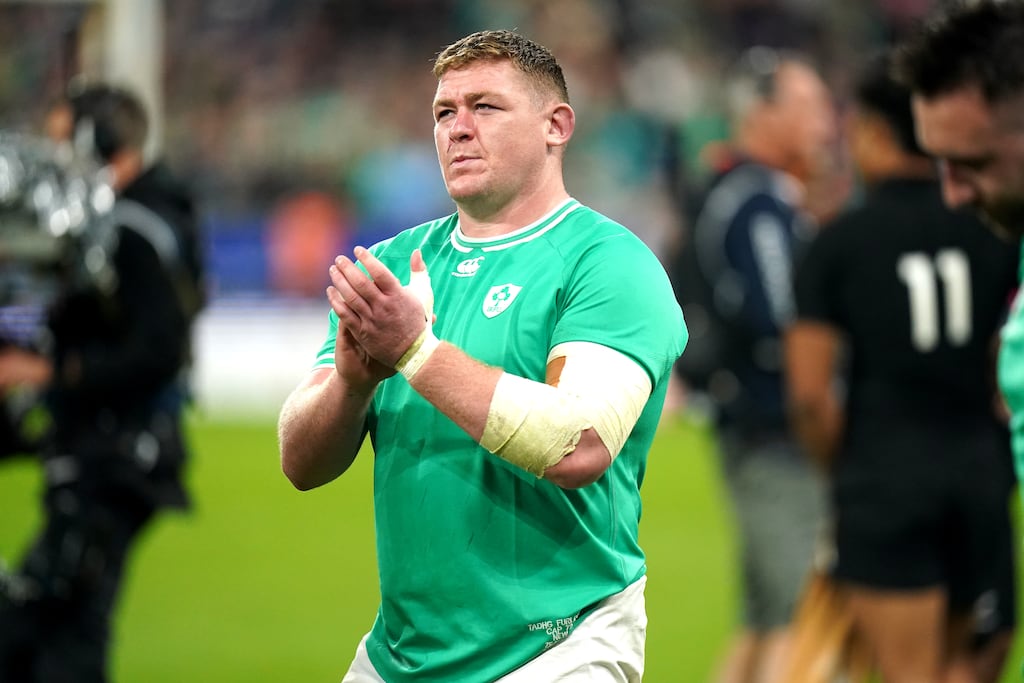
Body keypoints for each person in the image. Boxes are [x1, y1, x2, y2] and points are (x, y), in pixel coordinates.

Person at [277, 29, 687, 683]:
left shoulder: (611, 265)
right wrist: (351, 385)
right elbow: (299, 461)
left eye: (485, 107)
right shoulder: (391, 268)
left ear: (557, 125)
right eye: (444, 112)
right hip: (400, 655)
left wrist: (413, 350)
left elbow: (578, 442)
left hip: (561, 648)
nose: (458, 128)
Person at [785, 51, 1019, 683]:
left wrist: (845, 468)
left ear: (875, 134)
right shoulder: (994, 225)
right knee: (969, 665)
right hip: (981, 470)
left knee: (905, 672)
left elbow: (809, 393)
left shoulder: (838, 242)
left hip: (883, 477)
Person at [0, 83, 204, 682]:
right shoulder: (143, 216)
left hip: (115, 453)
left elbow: (159, 350)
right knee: (59, 630)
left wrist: (51, 371)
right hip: (115, 451)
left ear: (98, 143)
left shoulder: (132, 229)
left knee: (53, 631)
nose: (56, 158)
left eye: (66, 143)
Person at [666, 46, 836, 683]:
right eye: (810, 104)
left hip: (754, 428)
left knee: (765, 621)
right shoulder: (758, 203)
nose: (828, 120)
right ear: (760, 114)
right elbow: (785, 320)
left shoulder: (736, 193)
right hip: (779, 434)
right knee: (801, 622)